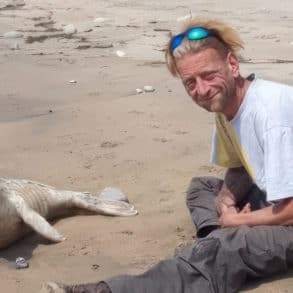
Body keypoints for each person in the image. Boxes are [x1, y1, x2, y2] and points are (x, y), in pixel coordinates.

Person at [44, 18, 293, 293]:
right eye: (190, 83)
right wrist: (227, 205)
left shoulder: (270, 113)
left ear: (232, 65)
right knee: (202, 188)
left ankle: (111, 289)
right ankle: (214, 247)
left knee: (226, 247)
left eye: (209, 75)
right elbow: (240, 167)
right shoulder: (229, 109)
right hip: (271, 198)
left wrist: (239, 221)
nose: (202, 90)